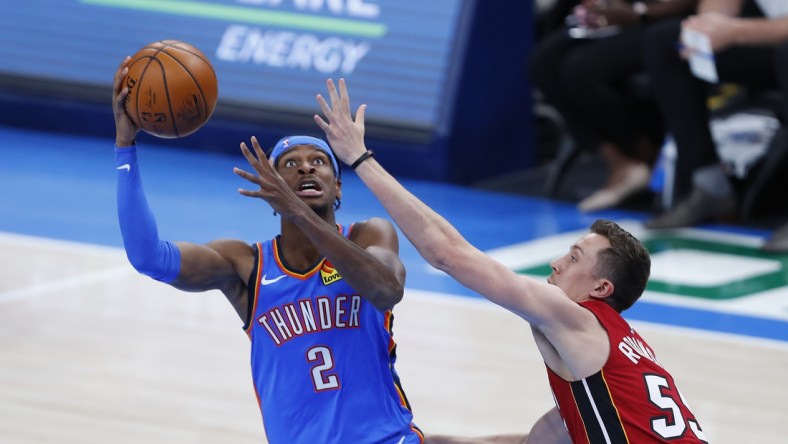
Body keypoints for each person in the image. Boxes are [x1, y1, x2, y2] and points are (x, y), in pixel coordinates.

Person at [313, 78, 707, 443]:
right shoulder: (610, 377)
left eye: (573, 258)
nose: (555, 263)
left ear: (601, 289)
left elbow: (448, 254)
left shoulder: (578, 319)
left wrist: (361, 159)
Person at [111, 58, 424, 444]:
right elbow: (148, 258)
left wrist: (300, 213)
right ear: (270, 193)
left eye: (319, 162)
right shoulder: (246, 265)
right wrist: (125, 147)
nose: (306, 169)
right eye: (290, 165)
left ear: (338, 187)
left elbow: (386, 290)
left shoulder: (368, 235)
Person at [531, 0, 697, 211]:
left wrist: (638, 13)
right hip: (628, 16)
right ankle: (620, 163)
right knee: (544, 62)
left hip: (672, 20)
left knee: (579, 70)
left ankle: (647, 156)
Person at [642, 0, 788, 232]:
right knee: (666, 42)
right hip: (769, 41)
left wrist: (736, 32)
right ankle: (709, 184)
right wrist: (707, 26)